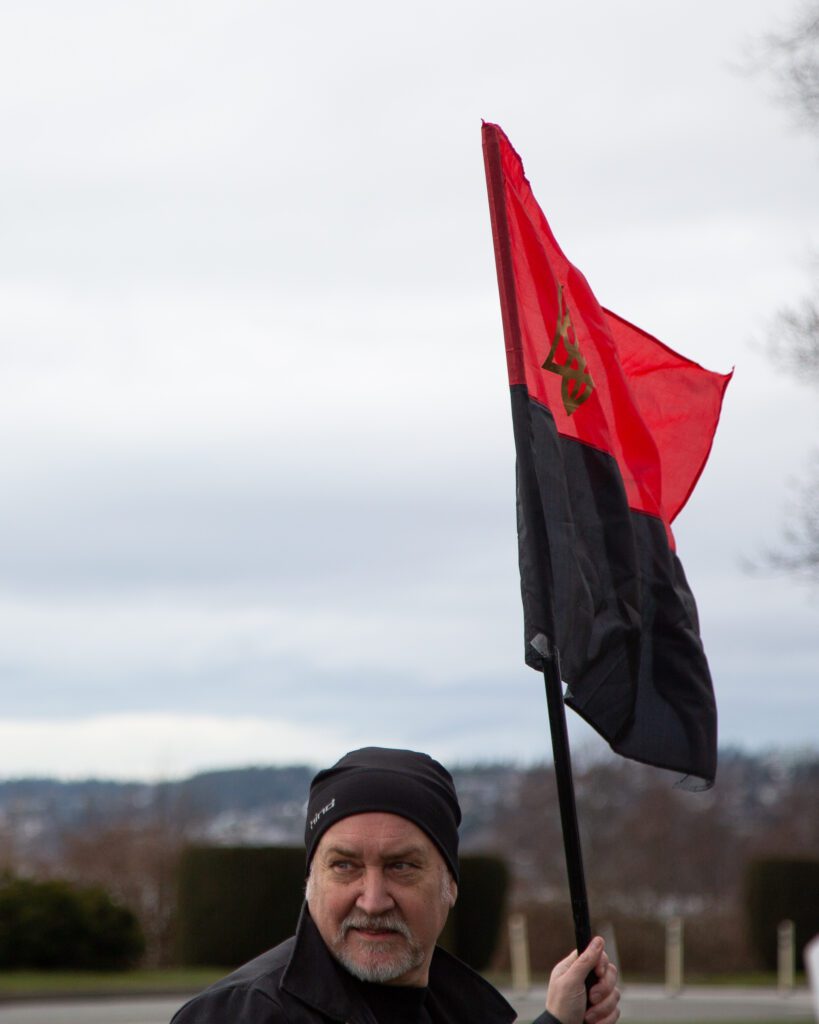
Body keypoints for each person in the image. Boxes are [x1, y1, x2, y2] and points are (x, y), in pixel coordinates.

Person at [170, 747, 620, 1024]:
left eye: (401, 867)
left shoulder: (460, 1011)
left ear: (450, 886)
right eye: (344, 866)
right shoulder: (242, 1015)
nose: (372, 899)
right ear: (311, 882)